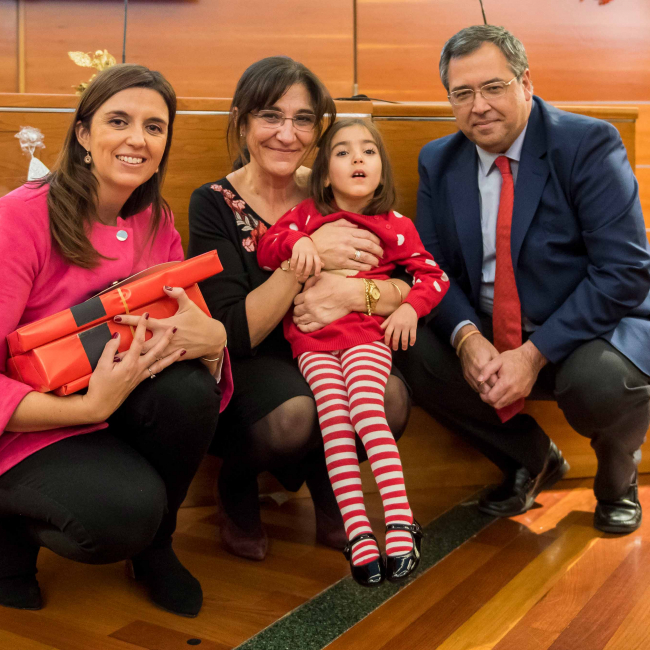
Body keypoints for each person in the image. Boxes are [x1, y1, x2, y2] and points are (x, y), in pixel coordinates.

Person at [397, 25, 650, 534]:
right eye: (462, 93)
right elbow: (431, 268)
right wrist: (467, 338)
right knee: (406, 345)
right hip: (490, 328)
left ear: (526, 82)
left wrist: (534, 355)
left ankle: (617, 481)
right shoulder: (439, 161)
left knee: (601, 381)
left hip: (584, 331)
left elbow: (624, 271)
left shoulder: (586, 143)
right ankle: (529, 456)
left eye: (493, 87)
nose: (479, 106)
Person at [0, 64, 230, 617]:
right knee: (121, 516)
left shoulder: (157, 220)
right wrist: (85, 408)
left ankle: (157, 548)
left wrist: (214, 339)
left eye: (154, 127)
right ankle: (7, 536)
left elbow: (182, 331)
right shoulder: (18, 218)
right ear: (83, 133)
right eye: (119, 121)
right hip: (24, 424)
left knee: (190, 392)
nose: (137, 139)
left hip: (113, 404)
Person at [188, 57, 412, 562]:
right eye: (271, 116)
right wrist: (305, 259)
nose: (287, 134)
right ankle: (237, 483)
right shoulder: (215, 202)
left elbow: (406, 278)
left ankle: (331, 481)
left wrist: (358, 296)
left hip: (339, 343)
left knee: (390, 399)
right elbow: (233, 332)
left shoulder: (336, 189)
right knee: (294, 414)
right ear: (242, 120)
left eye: (303, 119)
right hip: (255, 359)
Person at [257, 118, 449, 585]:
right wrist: (299, 242)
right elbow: (267, 248)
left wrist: (410, 309)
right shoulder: (306, 217)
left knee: (365, 406)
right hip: (312, 342)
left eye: (368, 151)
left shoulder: (395, 226)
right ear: (324, 174)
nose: (358, 158)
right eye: (343, 152)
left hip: (366, 337)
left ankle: (400, 521)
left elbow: (433, 277)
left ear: (381, 171)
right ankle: (358, 533)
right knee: (334, 422)